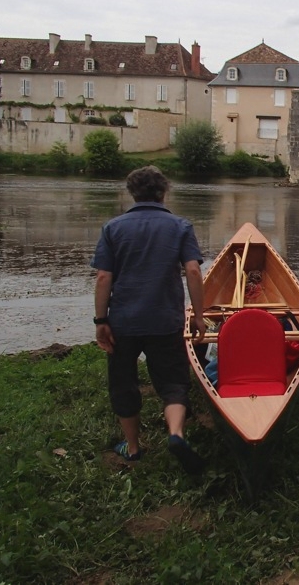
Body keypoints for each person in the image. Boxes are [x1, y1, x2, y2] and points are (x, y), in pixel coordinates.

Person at [90, 166, 207, 474]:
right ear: (163, 192)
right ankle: (176, 434)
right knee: (173, 381)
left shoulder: (113, 228)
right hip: (166, 319)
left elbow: (103, 277)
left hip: (124, 322)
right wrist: (198, 315)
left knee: (123, 382)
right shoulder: (180, 226)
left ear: (132, 193)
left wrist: (101, 320)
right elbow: (193, 271)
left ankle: (132, 448)